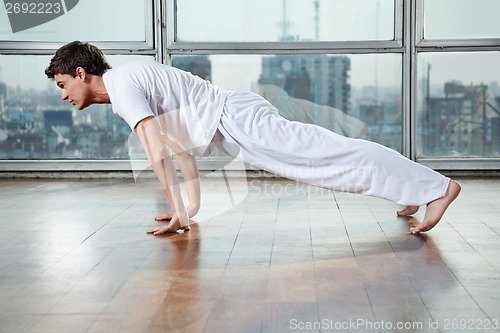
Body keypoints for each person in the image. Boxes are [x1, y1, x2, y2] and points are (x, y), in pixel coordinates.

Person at [45, 41, 461, 236]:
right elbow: (179, 148)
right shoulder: (126, 82)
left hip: (237, 120)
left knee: (328, 154)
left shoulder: (123, 88)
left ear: (81, 73)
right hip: (233, 119)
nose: (64, 95)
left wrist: (178, 213)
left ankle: (437, 188)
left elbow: (155, 152)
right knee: (324, 165)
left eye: (63, 83)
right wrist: (188, 209)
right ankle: (410, 187)